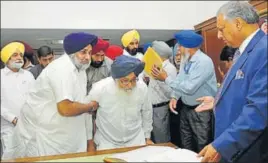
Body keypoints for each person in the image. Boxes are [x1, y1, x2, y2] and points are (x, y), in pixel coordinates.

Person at [2, 32, 99, 159]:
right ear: (72, 53)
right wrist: (90, 107)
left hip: (63, 134)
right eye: (83, 52)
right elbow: (65, 108)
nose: (87, 57)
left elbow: (81, 102)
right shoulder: (61, 69)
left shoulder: (80, 70)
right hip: (42, 136)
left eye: (89, 52)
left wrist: (89, 141)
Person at [196, 2, 267, 163]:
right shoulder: (244, 51)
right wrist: (217, 101)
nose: (219, 35)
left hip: (249, 150)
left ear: (238, 23)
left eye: (221, 29)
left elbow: (259, 110)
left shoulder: (263, 51)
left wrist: (222, 145)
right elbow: (246, 91)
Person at [151, 30, 217, 153]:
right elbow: (181, 78)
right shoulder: (186, 59)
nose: (178, 49)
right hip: (186, 108)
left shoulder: (203, 62)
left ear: (188, 47)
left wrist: (165, 78)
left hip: (201, 110)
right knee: (186, 144)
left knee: (202, 145)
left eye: (180, 46)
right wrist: (175, 96)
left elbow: (189, 87)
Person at [86, 55, 153, 150]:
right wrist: (90, 141)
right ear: (115, 79)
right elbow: (87, 114)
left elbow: (147, 112)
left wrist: (147, 136)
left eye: (133, 80)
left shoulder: (142, 88)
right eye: (125, 81)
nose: (129, 85)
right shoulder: (100, 88)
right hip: (107, 142)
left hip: (136, 140)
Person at [1, 42, 35, 156]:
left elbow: (34, 97)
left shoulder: (28, 75)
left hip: (29, 124)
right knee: (10, 154)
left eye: (20, 55)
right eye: (15, 55)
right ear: (7, 58)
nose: (19, 58)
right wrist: (13, 119)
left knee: (29, 154)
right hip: (9, 125)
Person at [146, 41, 177, 143]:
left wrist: (161, 79)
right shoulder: (155, 66)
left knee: (162, 141)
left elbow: (172, 92)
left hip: (161, 109)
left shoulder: (170, 68)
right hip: (151, 108)